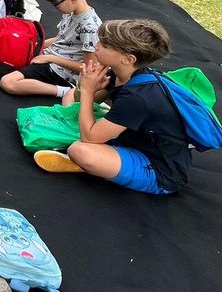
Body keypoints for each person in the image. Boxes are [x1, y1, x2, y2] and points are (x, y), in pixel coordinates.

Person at [32, 19, 190, 195]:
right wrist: (86, 88)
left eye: (105, 45)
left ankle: (89, 165)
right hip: (130, 139)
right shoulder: (121, 73)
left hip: (159, 169)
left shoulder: (138, 97)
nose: (96, 46)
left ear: (128, 59)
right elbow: (78, 102)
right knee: (70, 95)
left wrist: (87, 90)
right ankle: (105, 161)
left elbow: (89, 138)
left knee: (80, 150)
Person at [0, 0, 101, 104]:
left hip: (60, 71)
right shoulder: (71, 11)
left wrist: (49, 58)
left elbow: (87, 67)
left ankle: (63, 90)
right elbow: (62, 38)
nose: (55, 8)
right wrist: (34, 45)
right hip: (49, 58)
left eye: (56, 4)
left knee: (8, 82)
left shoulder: (90, 27)